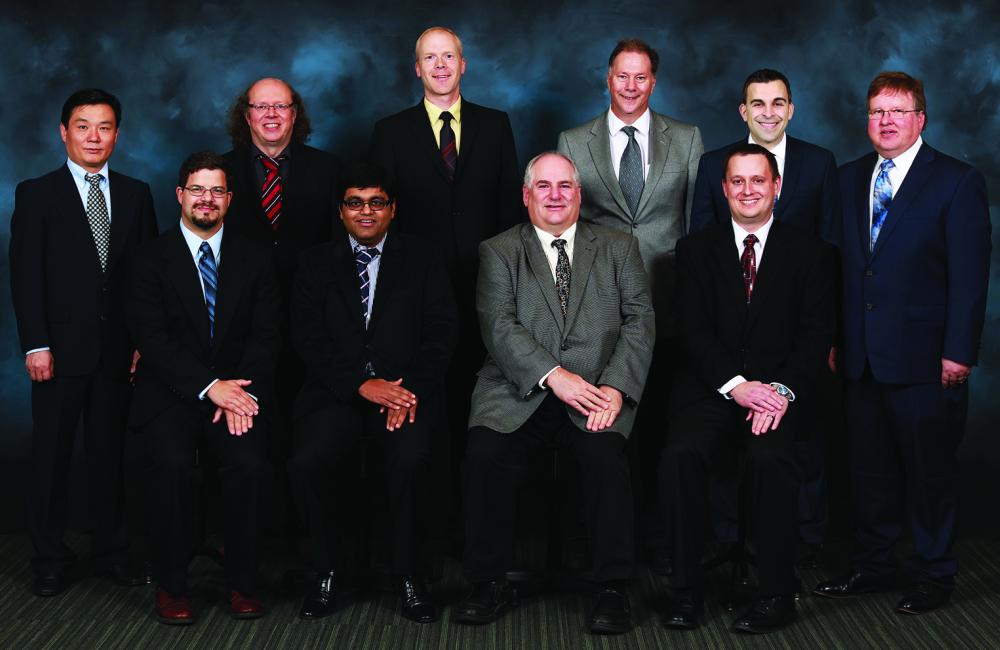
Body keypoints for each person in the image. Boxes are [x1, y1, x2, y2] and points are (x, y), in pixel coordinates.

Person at [453, 152, 655, 634]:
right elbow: (498, 326)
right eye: (544, 187)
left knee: (606, 459)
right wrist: (552, 375)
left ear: (579, 195)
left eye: (565, 186)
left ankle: (612, 587)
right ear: (526, 196)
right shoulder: (499, 250)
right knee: (485, 455)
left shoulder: (618, 247)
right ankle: (487, 581)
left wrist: (615, 387)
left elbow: (639, 320)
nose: (556, 196)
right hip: (517, 390)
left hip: (596, 391)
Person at [814, 72, 991, 615]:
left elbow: (970, 276)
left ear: (920, 119)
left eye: (897, 111)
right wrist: (835, 339)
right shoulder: (846, 180)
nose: (885, 121)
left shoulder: (956, 181)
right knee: (869, 469)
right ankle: (874, 564)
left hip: (925, 357)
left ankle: (935, 573)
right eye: (876, 112)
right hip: (861, 355)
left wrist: (959, 350)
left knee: (929, 471)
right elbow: (835, 271)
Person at [660, 144, 836, 634]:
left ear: (777, 186)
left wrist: (778, 391)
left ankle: (777, 592)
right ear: (724, 188)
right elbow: (691, 330)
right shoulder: (696, 249)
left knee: (769, 460)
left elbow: (815, 336)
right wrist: (737, 387)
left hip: (779, 395)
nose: (748, 191)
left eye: (758, 180)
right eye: (737, 181)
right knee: (680, 456)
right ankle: (685, 590)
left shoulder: (810, 252)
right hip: (712, 389)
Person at [287, 161, 458, 623]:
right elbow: (307, 337)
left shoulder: (423, 258)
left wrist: (408, 392)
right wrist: (360, 384)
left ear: (393, 209)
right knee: (310, 460)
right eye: (355, 203)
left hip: (405, 394)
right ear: (341, 210)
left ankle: (408, 575)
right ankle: (325, 572)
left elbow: (441, 334)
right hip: (336, 392)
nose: (366, 212)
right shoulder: (315, 262)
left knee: (410, 460)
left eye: (376, 202)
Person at [556, 39, 704, 560]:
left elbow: (695, 224)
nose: (631, 87)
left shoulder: (686, 139)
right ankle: (610, 537)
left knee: (663, 417)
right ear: (608, 78)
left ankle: (663, 538)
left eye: (641, 77)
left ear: (654, 82)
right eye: (622, 76)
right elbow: (564, 225)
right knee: (610, 425)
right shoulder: (574, 141)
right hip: (600, 305)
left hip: (667, 298)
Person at [689, 68, 841, 568]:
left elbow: (831, 251)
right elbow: (702, 250)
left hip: (795, 338)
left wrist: (824, 344)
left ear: (791, 109)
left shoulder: (819, 164)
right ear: (743, 110)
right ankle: (729, 542)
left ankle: (806, 540)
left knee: (804, 444)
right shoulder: (715, 163)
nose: (769, 112)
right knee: (724, 447)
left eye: (778, 103)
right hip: (730, 338)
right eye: (758, 103)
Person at [9, 87, 157, 596]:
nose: (94, 136)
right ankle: (49, 556)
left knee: (110, 455)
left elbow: (146, 279)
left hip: (118, 353)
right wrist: (35, 344)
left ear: (117, 133)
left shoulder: (137, 194)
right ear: (63, 132)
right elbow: (25, 276)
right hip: (58, 352)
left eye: (105, 127)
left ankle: (111, 550)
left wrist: (143, 341)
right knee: (51, 456)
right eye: (83, 126)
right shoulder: (37, 193)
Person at [370, 27, 523, 506]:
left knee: (478, 400)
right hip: (418, 295)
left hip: (488, 285)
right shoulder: (390, 132)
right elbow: (380, 220)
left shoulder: (495, 125)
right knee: (426, 400)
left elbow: (509, 212)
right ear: (416, 68)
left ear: (463, 64)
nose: (439, 65)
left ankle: (472, 510)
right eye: (429, 58)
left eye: (448, 56)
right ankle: (430, 514)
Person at [126, 151, 280, 624]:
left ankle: (242, 582)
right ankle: (173, 585)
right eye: (197, 190)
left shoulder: (256, 256)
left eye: (216, 191)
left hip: (238, 393)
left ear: (230, 199)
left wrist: (242, 395)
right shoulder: (149, 258)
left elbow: (268, 334)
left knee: (248, 464)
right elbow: (151, 340)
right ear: (180, 195)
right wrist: (210, 386)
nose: (206, 200)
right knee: (171, 465)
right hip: (171, 392)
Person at [221, 77, 341, 529]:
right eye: (261, 107)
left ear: (295, 114)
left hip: (312, 323)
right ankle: (259, 534)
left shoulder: (328, 169)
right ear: (246, 114)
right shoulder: (221, 173)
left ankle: (304, 533)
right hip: (242, 328)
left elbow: (338, 251)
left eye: (281, 107)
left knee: (308, 431)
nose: (271, 115)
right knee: (253, 432)